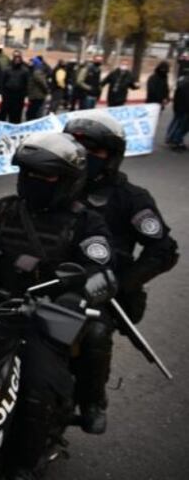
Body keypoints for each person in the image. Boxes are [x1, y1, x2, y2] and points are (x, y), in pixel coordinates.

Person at [0, 132, 116, 477]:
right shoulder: (2, 210)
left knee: (36, 389)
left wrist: (73, 298)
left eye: (44, 176)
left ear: (68, 181)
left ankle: (21, 466)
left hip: (44, 321)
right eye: (28, 172)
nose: (33, 180)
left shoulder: (86, 223)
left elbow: (103, 272)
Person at [63, 111, 178, 434]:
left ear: (112, 156)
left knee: (95, 334)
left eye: (94, 150)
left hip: (102, 293)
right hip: (50, 278)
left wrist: (120, 283)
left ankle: (92, 400)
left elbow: (163, 251)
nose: (84, 155)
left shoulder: (131, 198)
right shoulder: (56, 183)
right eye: (77, 146)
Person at [0, 51, 29, 123]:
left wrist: (25, 94)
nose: (17, 60)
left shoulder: (25, 71)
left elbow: (27, 83)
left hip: (19, 96)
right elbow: (2, 82)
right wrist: (1, 93)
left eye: (19, 58)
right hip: (7, 95)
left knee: (16, 115)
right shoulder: (7, 69)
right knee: (3, 114)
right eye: (16, 58)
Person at [167, 72, 189, 150]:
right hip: (184, 109)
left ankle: (175, 140)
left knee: (181, 125)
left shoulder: (183, 82)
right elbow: (184, 99)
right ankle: (175, 141)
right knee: (181, 126)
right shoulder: (185, 85)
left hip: (181, 108)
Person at [26, 56, 50, 120]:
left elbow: (43, 83)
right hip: (34, 96)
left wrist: (47, 91)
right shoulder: (32, 71)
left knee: (35, 112)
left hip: (37, 96)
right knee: (32, 112)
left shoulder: (36, 73)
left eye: (31, 62)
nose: (29, 63)